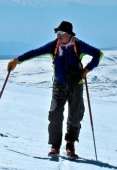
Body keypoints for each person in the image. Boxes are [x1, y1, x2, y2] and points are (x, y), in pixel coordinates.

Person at [7, 21, 103, 158]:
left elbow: (98, 54)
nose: (58, 35)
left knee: (74, 116)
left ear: (69, 34)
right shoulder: (54, 46)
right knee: (55, 114)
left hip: (76, 85)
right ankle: (55, 146)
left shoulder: (78, 45)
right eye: (57, 33)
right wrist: (17, 60)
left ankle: (70, 145)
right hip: (59, 86)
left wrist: (86, 71)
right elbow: (36, 52)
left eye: (61, 33)